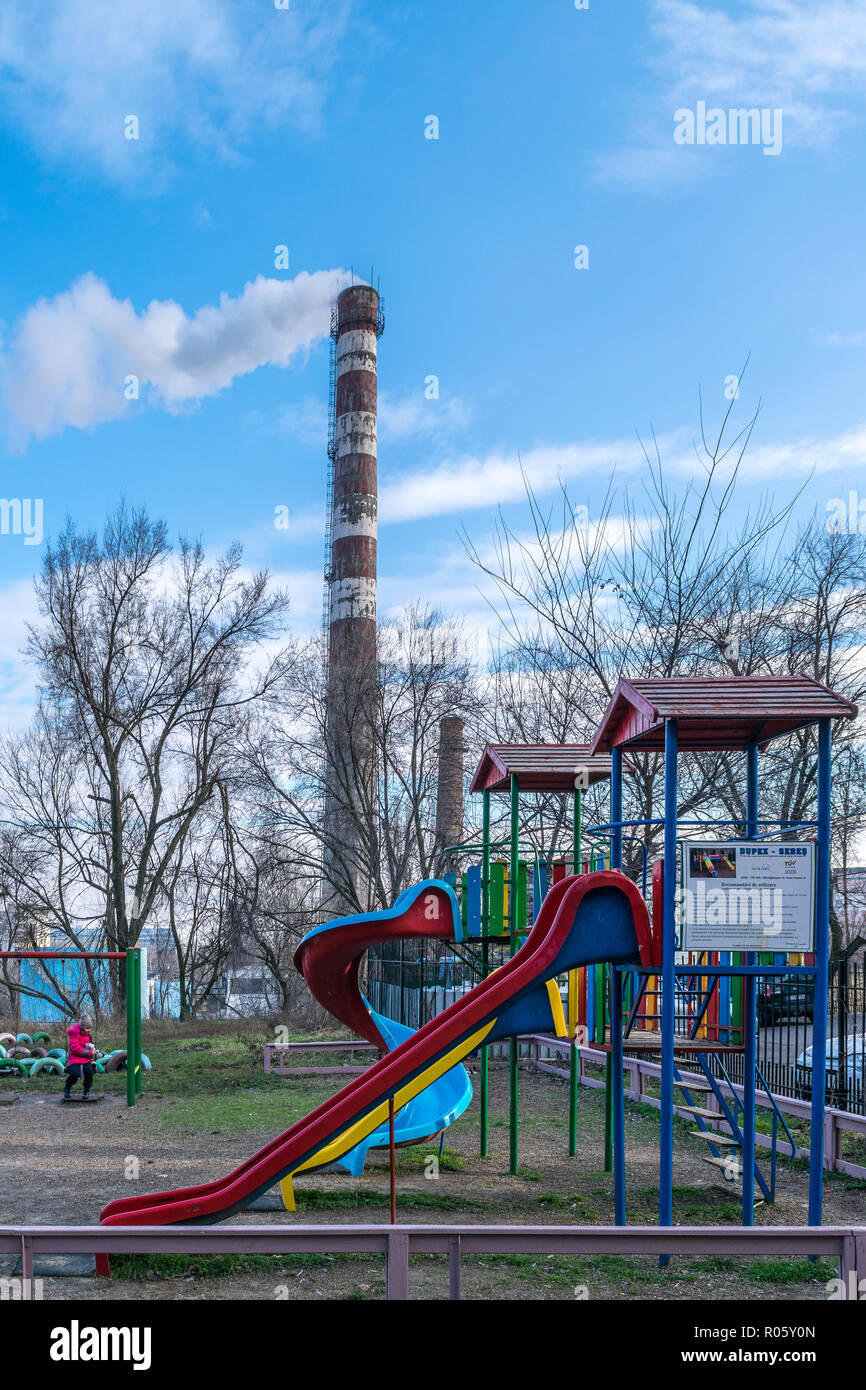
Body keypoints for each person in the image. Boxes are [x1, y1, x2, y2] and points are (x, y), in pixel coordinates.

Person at [63, 1012, 97, 1102]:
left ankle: (86, 1090)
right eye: (87, 1028)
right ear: (82, 1028)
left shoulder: (88, 1035)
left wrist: (93, 1049)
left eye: (90, 1028)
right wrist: (89, 1052)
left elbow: (88, 1045)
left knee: (89, 1072)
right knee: (75, 1074)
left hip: (85, 1059)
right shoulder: (74, 1034)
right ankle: (67, 1087)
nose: (89, 1030)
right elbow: (75, 1049)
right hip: (74, 1059)